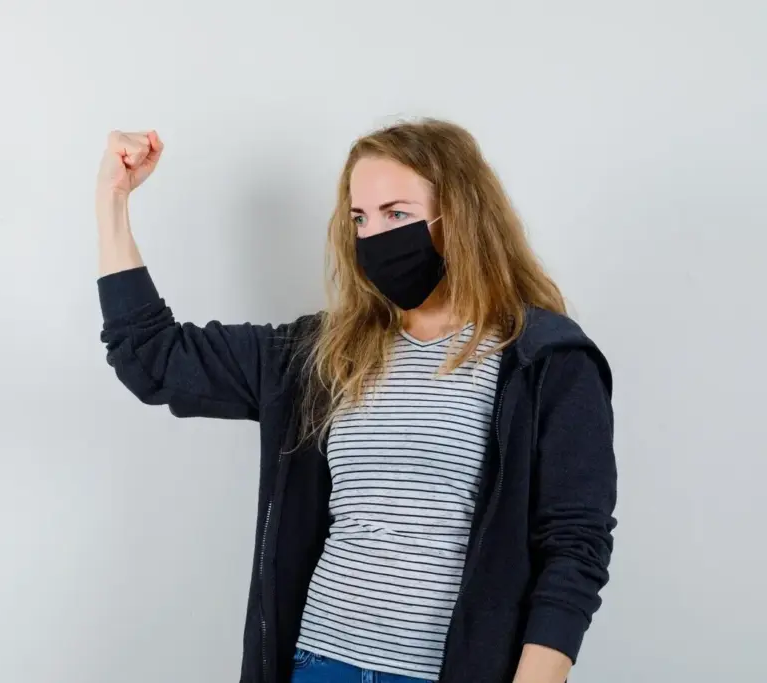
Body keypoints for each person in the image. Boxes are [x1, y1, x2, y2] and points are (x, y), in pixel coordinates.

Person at [94, 119, 617, 683]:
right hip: (320, 664)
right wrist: (112, 200)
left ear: (460, 215)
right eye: (360, 219)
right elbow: (151, 356)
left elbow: (574, 546)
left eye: (397, 214)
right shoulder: (323, 353)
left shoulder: (543, 359)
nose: (375, 236)